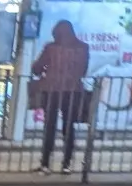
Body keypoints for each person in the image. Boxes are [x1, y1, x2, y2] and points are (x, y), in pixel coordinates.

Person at [31, 20, 91, 175]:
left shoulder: (50, 48)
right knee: (69, 127)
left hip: (51, 90)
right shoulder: (83, 48)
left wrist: (46, 69)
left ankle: (45, 164)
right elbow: (83, 71)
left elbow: (36, 68)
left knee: (49, 127)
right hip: (73, 91)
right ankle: (66, 165)